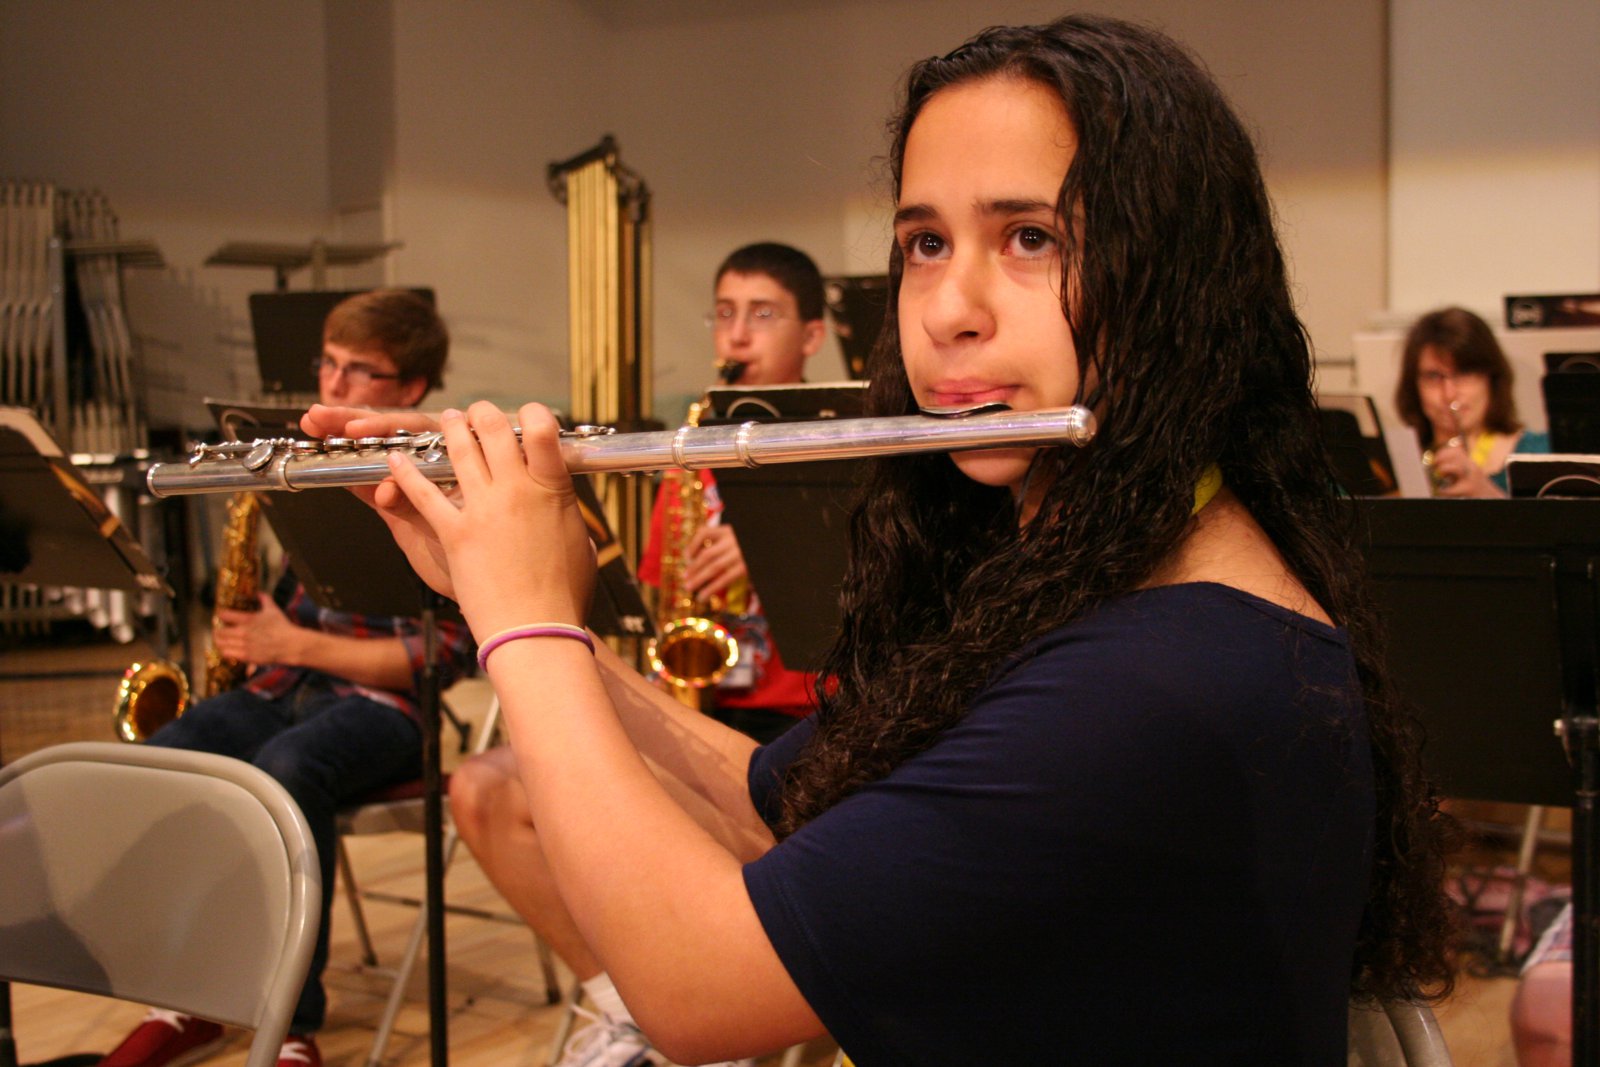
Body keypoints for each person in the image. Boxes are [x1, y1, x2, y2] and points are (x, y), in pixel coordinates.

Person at [307, 15, 1458, 1064]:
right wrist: (489, 585)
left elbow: (695, 989)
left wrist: (529, 628)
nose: (948, 309)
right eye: (924, 243)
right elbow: (772, 794)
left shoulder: (1163, 677)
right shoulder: (1080, 581)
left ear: (1175, 278)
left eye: (1029, 237)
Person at [439, 242, 825, 1067]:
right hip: (699, 700)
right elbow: (661, 600)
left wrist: (782, 554)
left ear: (814, 335)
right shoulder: (690, 460)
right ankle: (625, 1006)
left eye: (763, 314)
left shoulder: (844, 459)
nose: (738, 334)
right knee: (483, 787)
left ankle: (718, 1012)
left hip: (800, 727)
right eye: (725, 312)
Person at [100, 289, 476, 1067]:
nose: (333, 384)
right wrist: (251, 629)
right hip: (285, 686)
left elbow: (442, 653)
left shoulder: (439, 483)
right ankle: (190, 994)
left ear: (410, 387)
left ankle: (293, 1023)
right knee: (170, 757)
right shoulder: (308, 466)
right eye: (328, 363)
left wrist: (293, 642)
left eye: (359, 370)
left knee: (288, 768)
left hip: (388, 710)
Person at [1394, 306, 1549, 498]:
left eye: (1464, 373)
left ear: (1491, 379)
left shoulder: (1542, 453)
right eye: (1434, 376)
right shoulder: (1398, 462)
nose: (1449, 394)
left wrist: (1486, 493)